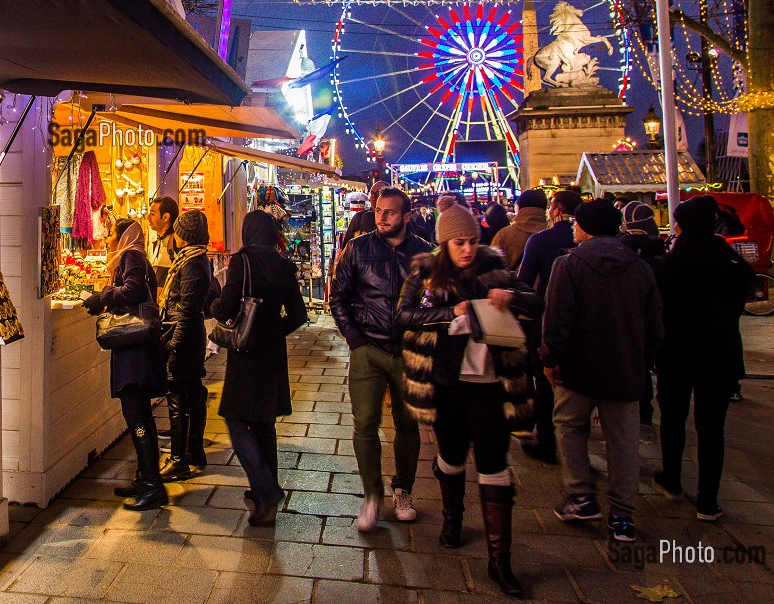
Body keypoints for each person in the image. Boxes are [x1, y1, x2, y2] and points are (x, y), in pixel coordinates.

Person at [397, 204, 540, 598]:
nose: (467, 249)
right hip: (447, 383)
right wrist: (449, 314)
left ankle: (500, 559)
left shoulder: (494, 267)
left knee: (495, 464)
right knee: (452, 455)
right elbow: (404, 316)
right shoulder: (425, 273)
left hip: (492, 384)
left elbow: (536, 302)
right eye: (460, 242)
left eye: (473, 241)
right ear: (445, 243)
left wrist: (510, 296)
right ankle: (452, 517)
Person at [541, 199, 663, 543]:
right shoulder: (640, 268)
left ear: (586, 227)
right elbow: (655, 322)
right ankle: (622, 514)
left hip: (578, 366)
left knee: (569, 427)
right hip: (625, 367)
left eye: (577, 223)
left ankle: (580, 495)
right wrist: (644, 360)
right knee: (623, 442)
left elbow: (557, 318)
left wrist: (550, 358)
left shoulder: (568, 265)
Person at [331, 187, 430, 530]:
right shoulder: (358, 249)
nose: (382, 217)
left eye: (390, 212)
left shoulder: (423, 253)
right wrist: (354, 338)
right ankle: (372, 494)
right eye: (378, 211)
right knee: (365, 423)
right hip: (369, 348)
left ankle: (403, 488)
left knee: (408, 424)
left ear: (406, 215)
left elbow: (434, 301)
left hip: (408, 350)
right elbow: (338, 297)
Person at [654, 195, 755, 521]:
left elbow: (660, 310)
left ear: (683, 224)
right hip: (720, 353)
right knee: (712, 429)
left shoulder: (672, 262)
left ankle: (671, 479)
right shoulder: (730, 261)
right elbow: (743, 295)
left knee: (673, 418)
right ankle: (708, 501)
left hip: (678, 354)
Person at [213, 210, 310, 526]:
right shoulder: (283, 265)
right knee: (265, 422)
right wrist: (273, 330)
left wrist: (212, 303)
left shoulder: (243, 261)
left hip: (247, 353)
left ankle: (266, 489)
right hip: (272, 352)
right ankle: (263, 500)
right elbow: (298, 314)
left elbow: (227, 308)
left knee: (237, 420)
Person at [81, 219, 169, 511]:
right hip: (138, 350)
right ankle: (145, 478)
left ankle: (152, 486)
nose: (107, 237)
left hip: (136, 352)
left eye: (111, 233)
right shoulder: (137, 256)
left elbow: (132, 291)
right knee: (140, 414)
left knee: (137, 417)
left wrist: (103, 297)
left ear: (124, 236)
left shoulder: (131, 256)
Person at [514, 188, 584, 463]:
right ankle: (578, 445)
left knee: (544, 381)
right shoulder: (587, 240)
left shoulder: (541, 241)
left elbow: (524, 279)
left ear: (555, 209)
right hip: (584, 320)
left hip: (546, 315)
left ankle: (547, 440)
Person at [159, 209, 212, 480]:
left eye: (179, 232)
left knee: (178, 395)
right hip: (190, 335)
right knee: (192, 391)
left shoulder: (192, 263)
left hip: (185, 336)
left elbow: (189, 310)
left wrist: (174, 346)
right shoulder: (195, 259)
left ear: (184, 235)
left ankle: (179, 458)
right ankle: (194, 450)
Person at [620, 201, 666, 425]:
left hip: (627, 315)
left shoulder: (621, 250)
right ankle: (646, 409)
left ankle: (639, 407)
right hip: (651, 316)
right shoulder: (658, 250)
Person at [491, 189, 549, 271]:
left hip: (516, 282)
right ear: (544, 208)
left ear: (519, 207)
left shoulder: (504, 235)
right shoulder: (553, 235)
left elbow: (495, 270)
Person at [147, 196, 181, 290]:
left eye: (152, 214)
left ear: (165, 217)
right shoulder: (158, 242)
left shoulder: (176, 242)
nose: (148, 218)